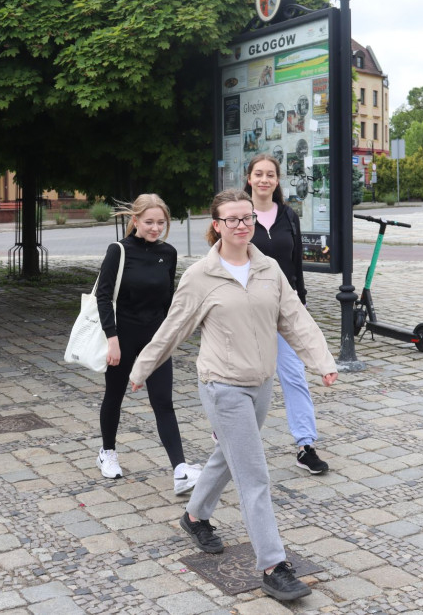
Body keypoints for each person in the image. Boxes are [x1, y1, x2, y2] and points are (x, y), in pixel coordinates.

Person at [129, 189, 338, 601]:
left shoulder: (269, 269)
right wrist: (141, 368)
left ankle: (194, 515)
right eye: (232, 219)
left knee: (229, 453)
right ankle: (274, 566)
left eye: (247, 218)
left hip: (260, 384)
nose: (242, 225)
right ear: (217, 226)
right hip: (222, 385)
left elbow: (295, 319)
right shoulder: (200, 276)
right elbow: (173, 329)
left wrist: (323, 361)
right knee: (254, 474)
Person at [94, 194, 201, 495]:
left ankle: (180, 470)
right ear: (136, 220)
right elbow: (103, 296)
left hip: (155, 340)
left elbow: (168, 302)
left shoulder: (168, 253)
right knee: (114, 396)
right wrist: (112, 340)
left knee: (163, 402)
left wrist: (167, 339)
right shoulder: (119, 250)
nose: (155, 228)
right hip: (123, 336)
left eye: (161, 222)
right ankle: (107, 452)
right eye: (149, 222)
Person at [243, 152, 330, 474]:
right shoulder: (240, 215)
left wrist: (301, 303)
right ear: (249, 178)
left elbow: (296, 265)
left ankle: (305, 445)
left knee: (294, 376)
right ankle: (229, 435)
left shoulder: (289, 216)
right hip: (248, 311)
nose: (264, 180)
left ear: (277, 181)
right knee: (247, 377)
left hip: (285, 309)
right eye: (259, 174)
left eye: (270, 175)